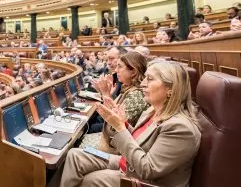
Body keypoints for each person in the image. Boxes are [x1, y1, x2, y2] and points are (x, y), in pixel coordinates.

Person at [59, 62, 201, 187]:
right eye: (145, 77)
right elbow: (141, 140)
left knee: (89, 180)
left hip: (146, 181)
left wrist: (121, 128)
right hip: (128, 163)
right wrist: (123, 124)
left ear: (170, 89)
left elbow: (148, 169)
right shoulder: (152, 111)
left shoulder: (181, 128)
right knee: (74, 155)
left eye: (150, 79)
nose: (143, 83)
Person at [81, 52, 150, 148]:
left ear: (133, 72)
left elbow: (114, 127)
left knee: (74, 148)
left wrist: (105, 93)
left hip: (117, 147)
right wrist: (105, 93)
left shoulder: (137, 95)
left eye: (120, 67)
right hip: (111, 140)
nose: (116, 70)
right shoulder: (128, 88)